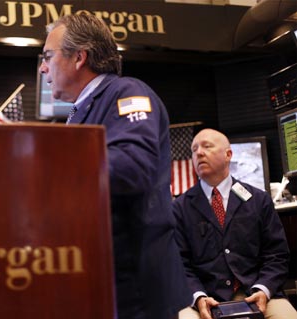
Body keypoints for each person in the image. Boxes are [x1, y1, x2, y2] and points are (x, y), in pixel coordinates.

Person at [39, 13, 191, 319]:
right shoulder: (83, 110)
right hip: (103, 279)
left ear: (79, 57)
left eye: (47, 57)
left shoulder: (128, 93)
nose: (43, 68)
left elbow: (134, 167)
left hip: (135, 286)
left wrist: (47, 169)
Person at [172, 128, 297, 319]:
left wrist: (263, 289)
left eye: (207, 146)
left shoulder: (258, 200)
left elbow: (277, 256)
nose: (199, 153)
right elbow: (179, 264)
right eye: (194, 149)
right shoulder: (180, 207)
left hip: (255, 292)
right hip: (204, 297)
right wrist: (198, 297)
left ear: (228, 154)